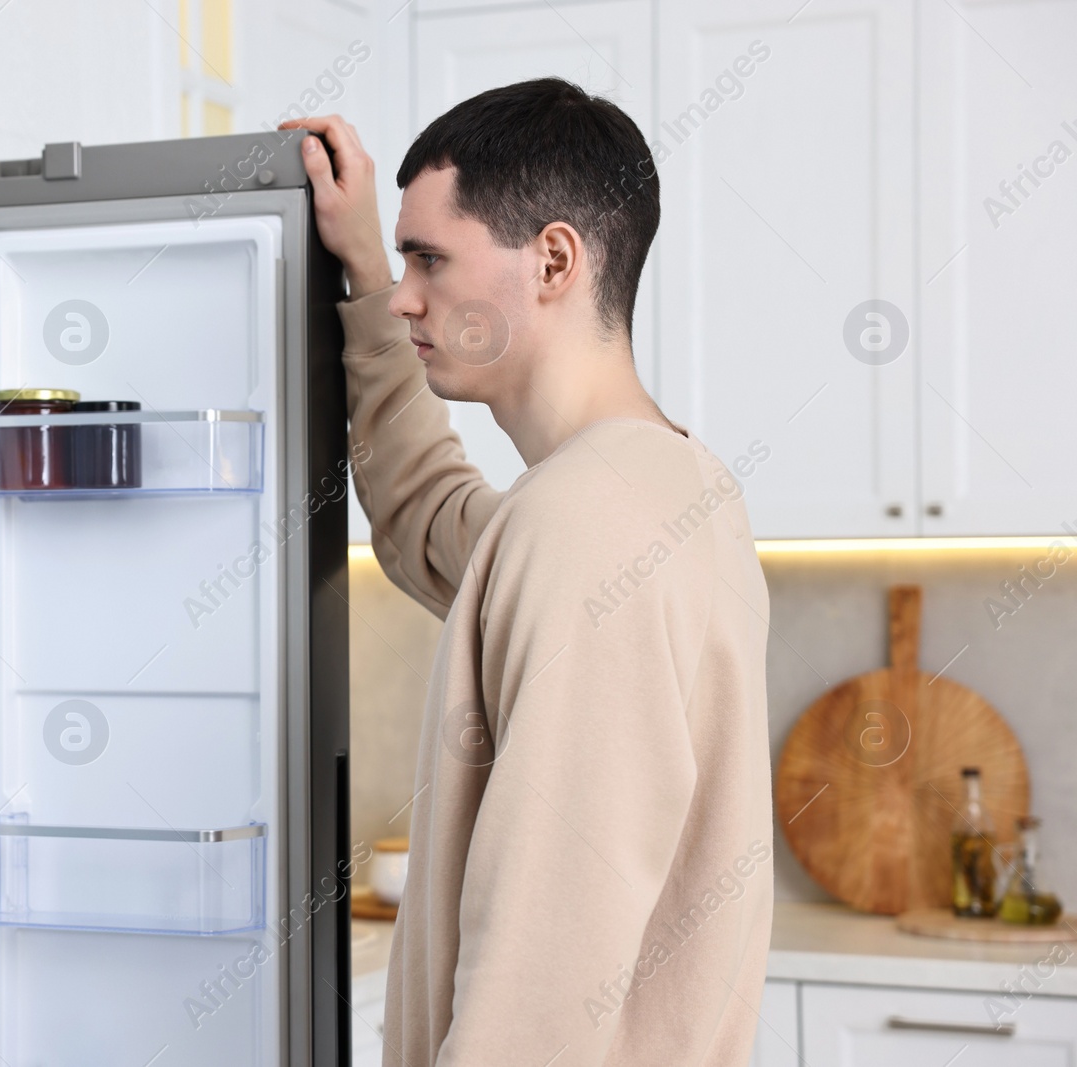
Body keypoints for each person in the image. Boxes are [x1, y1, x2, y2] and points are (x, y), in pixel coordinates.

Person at [281, 78, 773, 1066]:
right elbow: (428, 515)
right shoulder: (658, 485)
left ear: (553, 259)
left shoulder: (584, 524)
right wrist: (367, 268)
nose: (408, 295)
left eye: (429, 258)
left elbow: (543, 966)